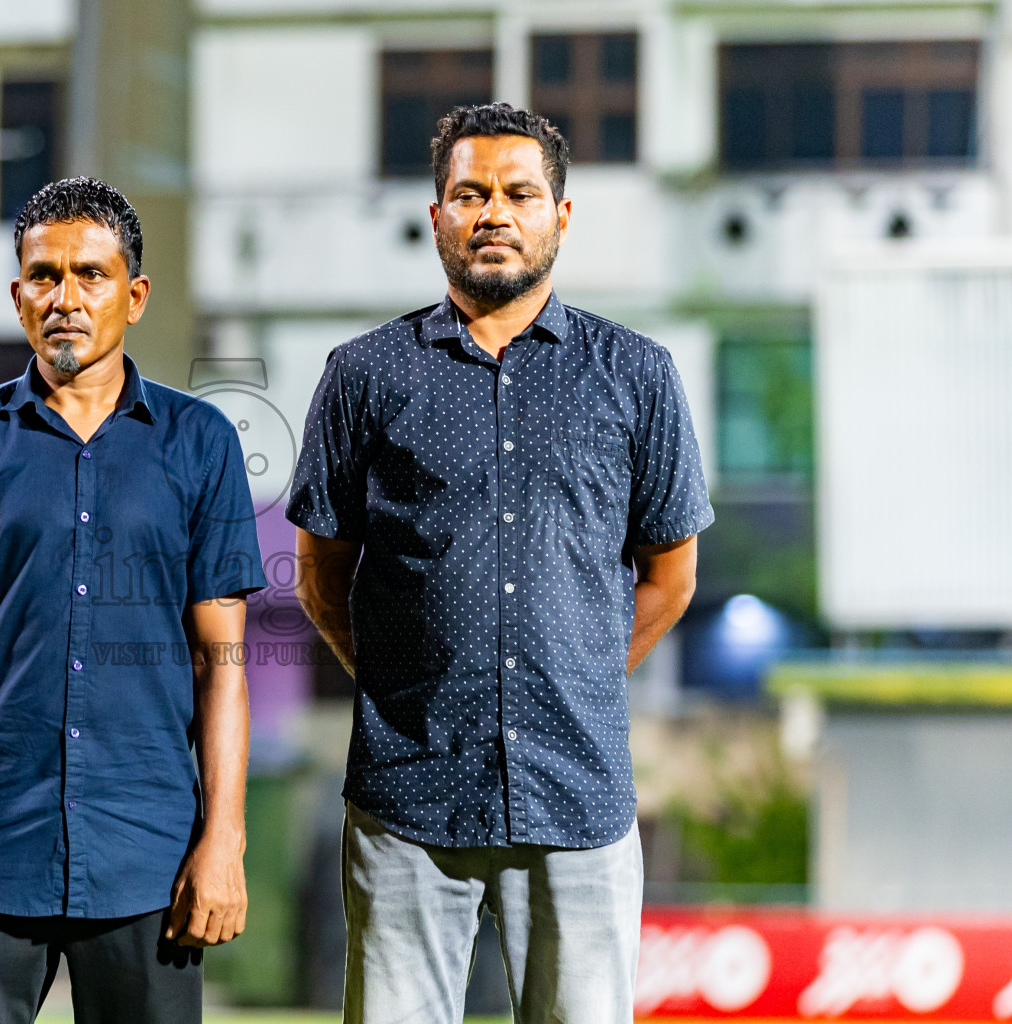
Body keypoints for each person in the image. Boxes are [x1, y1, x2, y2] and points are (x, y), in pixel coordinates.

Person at [288, 103, 713, 1024]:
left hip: (580, 792)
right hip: (406, 793)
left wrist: (580, 681)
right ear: (435, 215)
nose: (493, 212)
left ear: (560, 216)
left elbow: (671, 578)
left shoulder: (638, 375)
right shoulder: (364, 375)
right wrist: (410, 690)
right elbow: (320, 576)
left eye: (519, 193)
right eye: (468, 193)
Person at [0, 177, 266, 1024]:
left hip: (149, 860)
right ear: (18, 295)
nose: (65, 298)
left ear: (134, 295)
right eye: (44, 276)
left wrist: (223, 841)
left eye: (90, 275)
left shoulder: (200, 445)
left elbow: (223, 665)